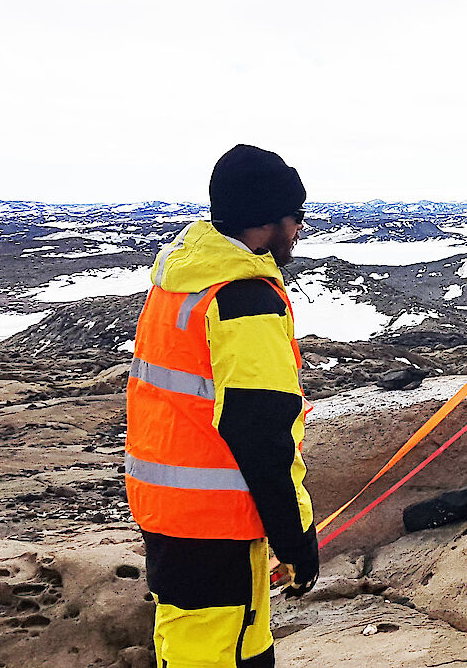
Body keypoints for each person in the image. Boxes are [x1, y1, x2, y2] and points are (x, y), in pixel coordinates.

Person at [125, 144, 317, 668]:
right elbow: (261, 432)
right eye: (296, 216)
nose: (299, 229)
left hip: (171, 511)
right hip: (216, 522)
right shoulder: (243, 298)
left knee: (201, 649)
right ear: (269, 219)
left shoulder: (182, 282)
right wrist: (296, 540)